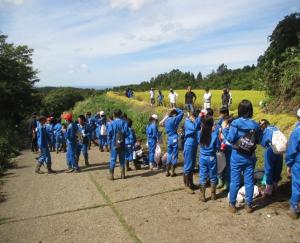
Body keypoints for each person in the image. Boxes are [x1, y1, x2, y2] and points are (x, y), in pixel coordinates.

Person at [225, 100, 261, 213]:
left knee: (235, 181)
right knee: (249, 181)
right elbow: (258, 140)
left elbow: (230, 139)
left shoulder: (235, 123)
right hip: (250, 156)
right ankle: (249, 205)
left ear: (240, 110)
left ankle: (232, 204)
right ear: (250, 110)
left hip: (237, 155)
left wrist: (225, 129)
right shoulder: (255, 124)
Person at [198, 116, 220, 202]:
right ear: (211, 125)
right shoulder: (214, 135)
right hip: (212, 157)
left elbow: (198, 142)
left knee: (202, 175)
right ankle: (213, 195)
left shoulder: (200, 133)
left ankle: (202, 196)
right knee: (213, 175)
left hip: (203, 157)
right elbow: (218, 146)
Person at [259, 119, 283, 197]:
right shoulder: (276, 128)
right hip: (279, 151)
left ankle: (269, 190)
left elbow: (263, 143)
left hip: (270, 150)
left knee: (269, 169)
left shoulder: (267, 131)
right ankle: (275, 185)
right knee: (277, 168)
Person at [285, 109, 300, 219]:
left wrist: (289, 164)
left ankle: (294, 209)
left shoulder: (297, 132)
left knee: (297, 185)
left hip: (298, 162)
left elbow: (291, 150)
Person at [160, 108, 184, 177]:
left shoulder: (167, 120)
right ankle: (173, 172)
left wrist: (166, 116)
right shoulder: (174, 119)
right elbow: (182, 113)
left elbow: (161, 124)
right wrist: (175, 108)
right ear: (174, 114)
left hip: (169, 138)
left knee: (169, 154)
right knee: (175, 155)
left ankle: (167, 172)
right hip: (174, 138)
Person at [183, 110, 202, 194]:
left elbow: (198, 127)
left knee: (192, 165)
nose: (194, 118)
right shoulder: (187, 122)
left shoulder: (193, 122)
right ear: (190, 116)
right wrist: (199, 117)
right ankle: (186, 185)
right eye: (193, 116)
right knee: (188, 165)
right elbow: (194, 128)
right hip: (189, 145)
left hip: (194, 144)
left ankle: (191, 183)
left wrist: (198, 119)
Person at [108, 109, 129, 180]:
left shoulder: (112, 123)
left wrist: (109, 144)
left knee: (113, 159)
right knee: (122, 159)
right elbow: (127, 133)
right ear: (121, 115)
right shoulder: (124, 123)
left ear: (114, 115)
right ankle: (123, 174)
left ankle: (111, 175)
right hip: (122, 143)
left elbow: (109, 134)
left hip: (114, 143)